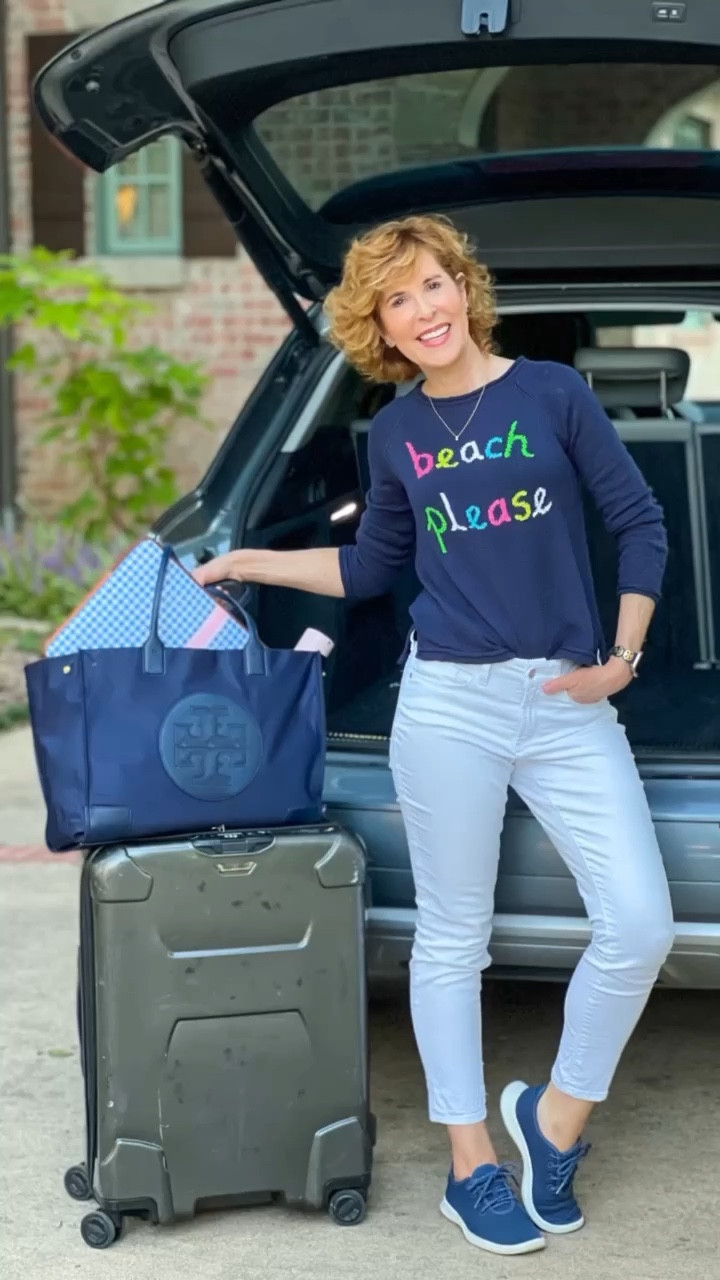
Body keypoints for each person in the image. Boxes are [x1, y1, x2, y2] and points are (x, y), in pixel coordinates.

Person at [193, 214, 675, 1257]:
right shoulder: (397, 433)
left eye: (436, 283)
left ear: (467, 286)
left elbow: (641, 522)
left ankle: (553, 1123)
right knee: (454, 939)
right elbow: (371, 571)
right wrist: (247, 566)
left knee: (641, 923)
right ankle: (472, 1165)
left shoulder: (553, 392)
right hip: (446, 701)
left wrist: (623, 657)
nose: (425, 310)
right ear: (381, 326)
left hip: (567, 698)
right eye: (398, 299)